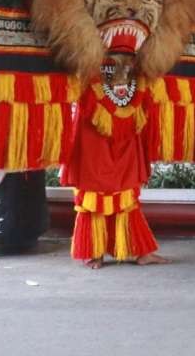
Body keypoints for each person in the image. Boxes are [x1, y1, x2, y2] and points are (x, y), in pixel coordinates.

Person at [63, 46, 168, 269]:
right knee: (94, 191)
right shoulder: (86, 50)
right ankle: (94, 251)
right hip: (93, 135)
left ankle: (140, 251)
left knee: (127, 192)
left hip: (128, 134)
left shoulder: (139, 56)